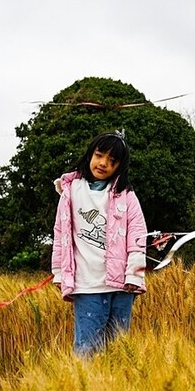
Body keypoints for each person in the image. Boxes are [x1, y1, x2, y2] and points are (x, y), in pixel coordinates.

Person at [51, 130, 147, 357]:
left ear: (120, 167)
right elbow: (60, 235)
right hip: (87, 286)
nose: (103, 163)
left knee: (118, 349)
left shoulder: (126, 196)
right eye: (99, 155)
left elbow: (137, 237)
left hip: (122, 286)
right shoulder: (71, 192)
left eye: (112, 161)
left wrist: (134, 275)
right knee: (87, 349)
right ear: (89, 155)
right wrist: (58, 272)